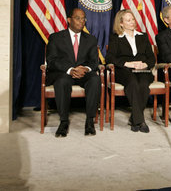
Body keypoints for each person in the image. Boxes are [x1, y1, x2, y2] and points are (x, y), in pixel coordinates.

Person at [46, 8, 101, 137]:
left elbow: (94, 62)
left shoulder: (91, 39)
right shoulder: (56, 37)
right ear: (69, 20)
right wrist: (71, 70)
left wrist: (85, 69)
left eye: (83, 19)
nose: (81, 21)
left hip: (83, 73)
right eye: (78, 18)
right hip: (64, 73)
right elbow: (52, 60)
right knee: (61, 82)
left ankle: (89, 121)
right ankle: (64, 121)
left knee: (95, 79)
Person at [106, 9, 155, 133]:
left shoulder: (143, 36)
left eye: (133, 19)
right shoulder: (116, 38)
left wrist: (144, 64)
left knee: (144, 85)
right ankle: (140, 121)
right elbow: (110, 58)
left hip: (143, 70)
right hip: (124, 70)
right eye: (128, 20)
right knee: (133, 83)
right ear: (121, 23)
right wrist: (128, 64)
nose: (132, 22)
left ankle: (134, 118)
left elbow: (151, 57)